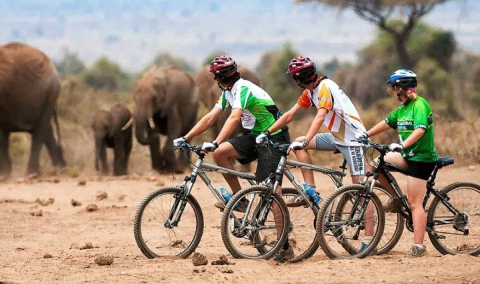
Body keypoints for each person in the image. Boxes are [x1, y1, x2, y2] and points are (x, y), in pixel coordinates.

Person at [173, 55, 293, 260]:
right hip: (256, 136)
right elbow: (210, 117)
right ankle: (241, 200)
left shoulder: (243, 89)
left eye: (216, 76)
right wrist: (186, 137)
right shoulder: (228, 92)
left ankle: (285, 246)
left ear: (220, 76)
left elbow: (234, 117)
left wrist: (216, 140)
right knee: (220, 154)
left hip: (274, 137)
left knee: (272, 191)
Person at [256, 56, 373, 250]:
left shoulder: (325, 87)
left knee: (361, 190)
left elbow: (320, 116)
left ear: (298, 79)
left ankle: (369, 240)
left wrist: (308, 138)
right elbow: (289, 115)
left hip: (353, 140)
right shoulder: (310, 91)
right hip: (337, 138)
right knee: (298, 145)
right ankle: (310, 189)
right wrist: (267, 132)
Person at [357, 69, 437, 258]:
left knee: (414, 203)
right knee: (376, 163)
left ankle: (419, 246)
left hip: (422, 158)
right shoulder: (402, 110)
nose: (392, 92)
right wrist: (366, 134)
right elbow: (386, 123)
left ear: (401, 88)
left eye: (394, 88)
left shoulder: (420, 105)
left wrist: (401, 146)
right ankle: (395, 199)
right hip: (409, 155)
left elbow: (420, 130)